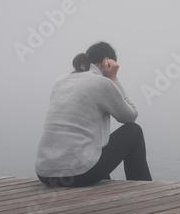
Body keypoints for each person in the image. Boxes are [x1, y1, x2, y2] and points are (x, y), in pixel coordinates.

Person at [35, 41, 152, 187]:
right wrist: (114, 78)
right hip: (78, 174)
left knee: (94, 148)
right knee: (134, 130)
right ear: (106, 61)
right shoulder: (101, 83)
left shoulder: (59, 82)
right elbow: (130, 115)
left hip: (45, 174)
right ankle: (143, 189)